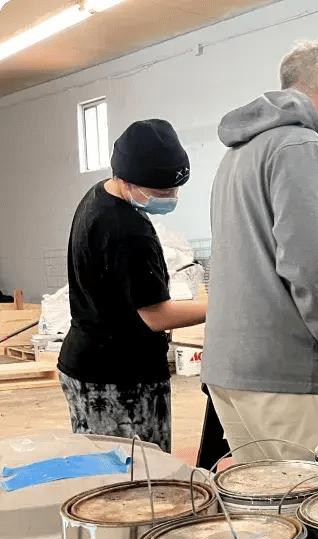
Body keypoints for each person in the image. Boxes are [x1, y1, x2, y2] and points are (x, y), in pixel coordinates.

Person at [204, 40, 318, 461]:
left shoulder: (238, 153)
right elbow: (310, 266)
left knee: (267, 519)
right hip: (290, 378)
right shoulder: (300, 147)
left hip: (229, 372)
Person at [58, 120, 206, 454]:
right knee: (139, 481)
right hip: (118, 381)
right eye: (160, 192)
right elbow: (156, 315)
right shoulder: (128, 229)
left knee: (104, 475)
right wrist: (226, 306)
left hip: (88, 364)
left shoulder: (99, 195)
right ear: (127, 181)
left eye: (174, 189)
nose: (170, 198)